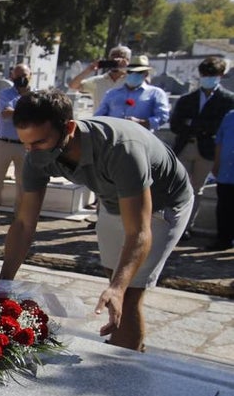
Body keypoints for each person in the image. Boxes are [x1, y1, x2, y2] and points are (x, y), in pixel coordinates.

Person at [0, 90, 192, 352]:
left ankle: (123, 368)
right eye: (26, 144)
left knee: (129, 290)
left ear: (68, 127)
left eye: (40, 143)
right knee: (114, 275)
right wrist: (3, 284)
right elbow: (23, 223)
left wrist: (117, 288)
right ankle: (127, 342)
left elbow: (139, 231)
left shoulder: (122, 149)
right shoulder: (36, 154)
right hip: (112, 201)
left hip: (161, 206)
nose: (31, 152)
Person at [169, 56, 234, 239]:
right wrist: (199, 126)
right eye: (205, 74)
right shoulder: (187, 99)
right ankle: (171, 222)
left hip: (207, 150)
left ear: (221, 75)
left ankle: (185, 226)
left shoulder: (227, 100)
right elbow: (176, 124)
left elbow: (220, 126)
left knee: (196, 189)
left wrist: (194, 124)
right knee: (176, 187)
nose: (207, 77)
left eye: (212, 74)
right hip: (184, 146)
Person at [0, 63, 30, 227]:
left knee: (23, 182)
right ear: (12, 77)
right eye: (17, 75)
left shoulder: (35, 95)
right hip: (4, 143)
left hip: (25, 144)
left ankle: (20, 216)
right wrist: (30, 112)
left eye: (24, 75)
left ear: (30, 76)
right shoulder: (5, 94)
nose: (21, 78)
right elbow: (6, 113)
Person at [94, 55, 169, 132]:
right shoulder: (111, 93)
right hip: (115, 137)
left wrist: (140, 122)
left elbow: (162, 117)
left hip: (141, 137)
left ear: (145, 74)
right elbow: (98, 116)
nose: (133, 74)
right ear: (126, 73)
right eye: (130, 71)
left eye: (138, 72)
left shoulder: (156, 93)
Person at [67, 44, 132, 109]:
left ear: (127, 61)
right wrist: (89, 69)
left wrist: (127, 69)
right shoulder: (98, 81)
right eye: (112, 58)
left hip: (122, 119)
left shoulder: (133, 81)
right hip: (99, 118)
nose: (115, 61)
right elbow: (73, 86)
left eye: (119, 58)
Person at [211, 110, 234, 252]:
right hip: (226, 171)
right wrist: (217, 163)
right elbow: (219, 141)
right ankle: (223, 239)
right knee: (224, 207)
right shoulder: (230, 116)